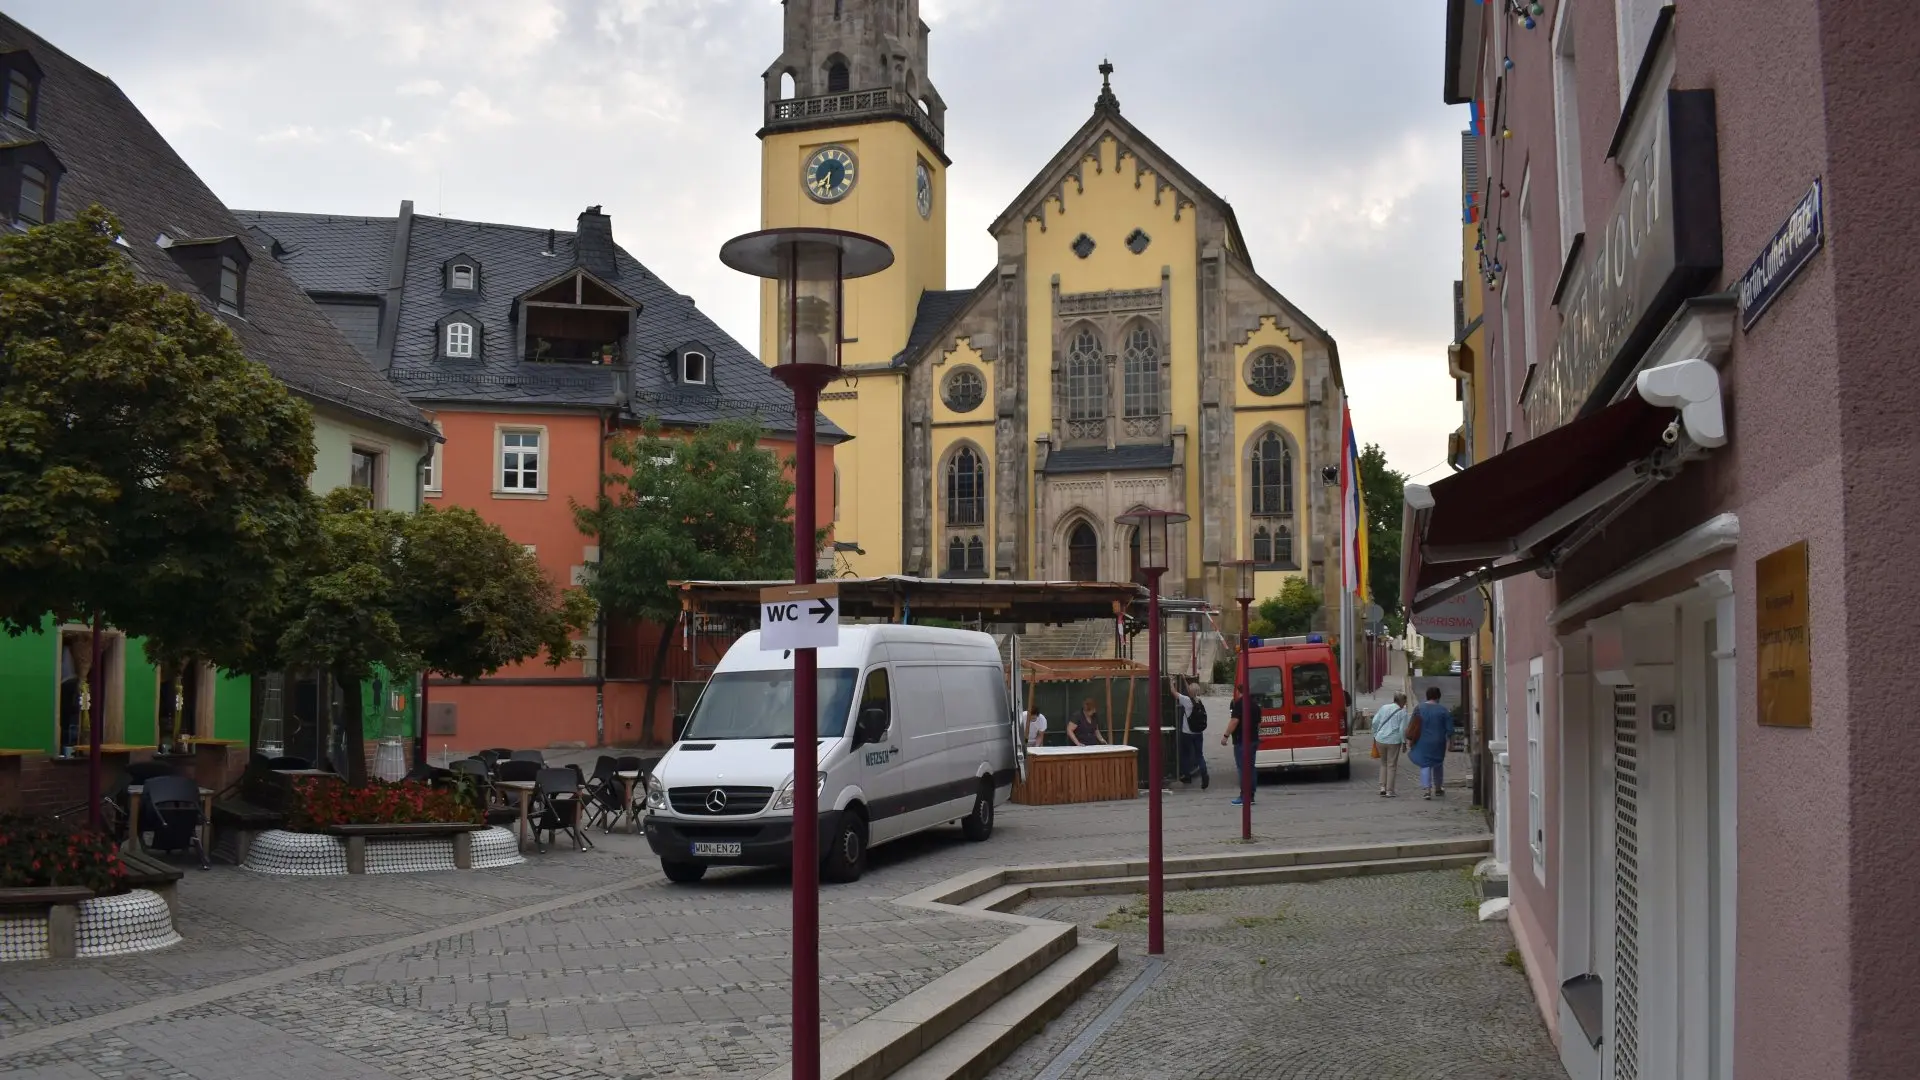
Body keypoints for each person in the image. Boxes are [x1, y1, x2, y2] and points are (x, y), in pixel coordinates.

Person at [1407, 687, 1456, 800]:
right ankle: (1438, 788)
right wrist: (1451, 743)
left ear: (1427, 696)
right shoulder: (1443, 710)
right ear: (1438, 696)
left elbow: (1412, 725)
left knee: (1425, 764)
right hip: (1439, 741)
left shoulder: (1419, 708)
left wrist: (1410, 740)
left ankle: (1427, 790)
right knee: (1438, 764)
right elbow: (1450, 729)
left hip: (1422, 741)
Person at [1369, 692, 1411, 798]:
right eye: (1405, 701)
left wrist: (1376, 733)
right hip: (1394, 741)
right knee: (1391, 765)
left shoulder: (1384, 707)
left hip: (1380, 739)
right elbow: (1402, 729)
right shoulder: (1403, 713)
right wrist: (1404, 742)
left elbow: (1375, 722)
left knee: (1383, 763)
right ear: (1401, 701)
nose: (1405, 704)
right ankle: (1390, 791)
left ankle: (1382, 787)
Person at [1222, 689, 1257, 806]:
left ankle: (1244, 796)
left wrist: (1225, 736)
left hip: (1241, 740)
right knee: (1251, 768)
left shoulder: (1239, 704)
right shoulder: (1255, 705)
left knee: (1243, 769)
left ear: (1239, 692)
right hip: (1253, 740)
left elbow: (1234, 721)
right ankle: (1251, 795)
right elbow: (1258, 723)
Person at [1173, 678, 1210, 789]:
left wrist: (1171, 682)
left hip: (1187, 733)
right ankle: (1204, 774)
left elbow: (1174, 693)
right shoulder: (1198, 700)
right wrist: (1184, 679)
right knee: (1199, 755)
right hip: (1198, 733)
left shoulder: (1186, 700)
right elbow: (1190, 690)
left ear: (1189, 691)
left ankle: (1187, 775)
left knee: (1185, 754)